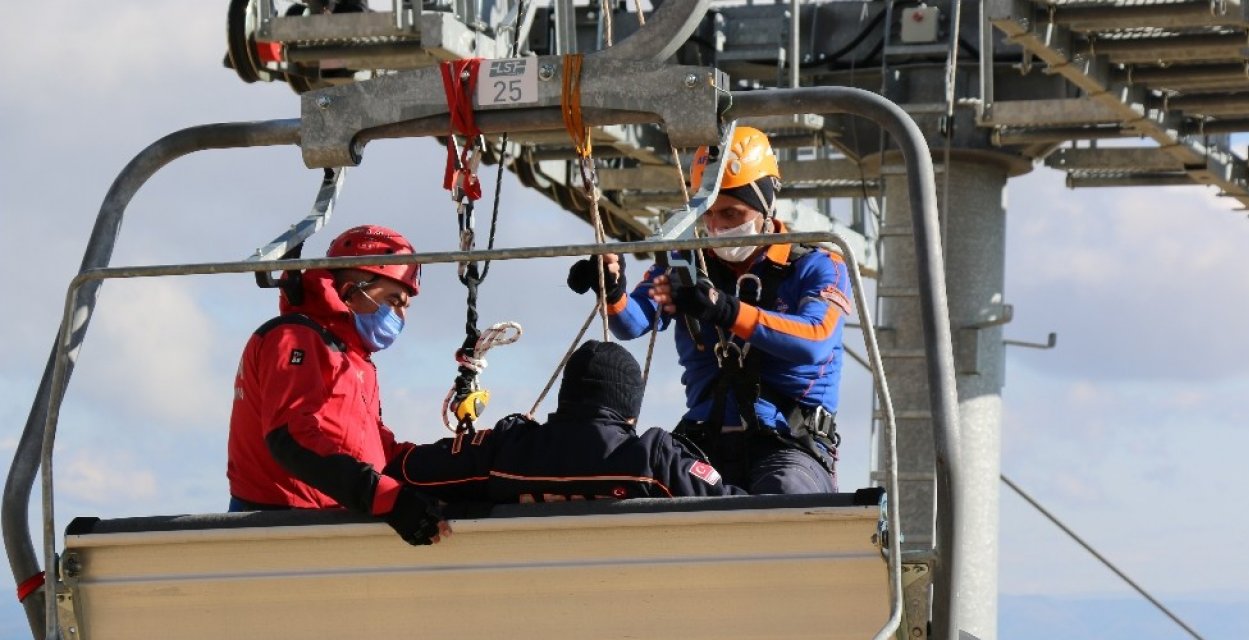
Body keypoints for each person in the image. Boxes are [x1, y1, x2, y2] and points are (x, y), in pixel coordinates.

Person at [565, 126, 852, 495]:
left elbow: (814, 339)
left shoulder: (817, 265)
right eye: (709, 215)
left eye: (731, 213)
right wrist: (612, 288)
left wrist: (726, 310)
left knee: (783, 494)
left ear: (766, 206)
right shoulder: (688, 264)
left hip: (789, 445)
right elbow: (632, 322)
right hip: (704, 440)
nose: (717, 227)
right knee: (639, 480)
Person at [226, 224, 450, 546]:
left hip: (328, 527)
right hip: (277, 529)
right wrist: (388, 499)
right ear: (350, 290)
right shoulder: (293, 338)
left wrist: (450, 470)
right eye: (393, 300)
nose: (400, 316)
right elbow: (290, 437)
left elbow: (375, 450)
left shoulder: (354, 360)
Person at [387, 340, 744, 502]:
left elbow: (407, 471)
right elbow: (739, 513)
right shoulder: (653, 458)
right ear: (630, 410)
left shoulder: (505, 448)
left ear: (565, 396)